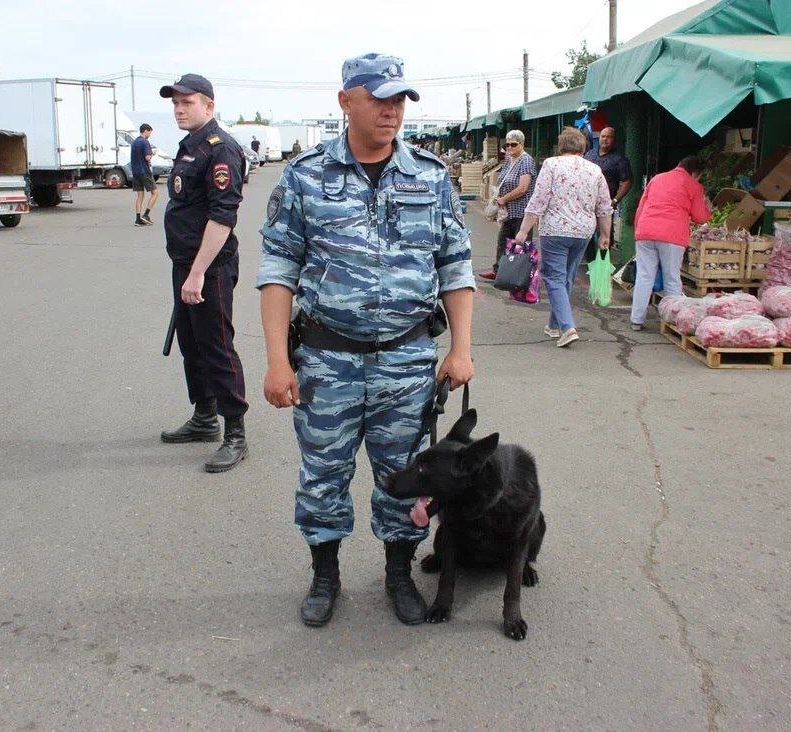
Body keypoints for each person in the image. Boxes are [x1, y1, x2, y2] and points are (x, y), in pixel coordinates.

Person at [257, 52, 475, 629]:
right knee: (323, 473)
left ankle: (398, 573)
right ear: (345, 100)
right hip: (326, 358)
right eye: (379, 98)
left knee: (405, 473)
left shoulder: (429, 175)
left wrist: (460, 349)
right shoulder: (305, 175)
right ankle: (324, 573)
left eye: (400, 99)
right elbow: (278, 269)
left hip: (405, 359)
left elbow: (456, 264)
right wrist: (278, 361)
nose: (392, 111)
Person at [158, 74, 250, 473]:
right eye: (175, 103)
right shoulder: (190, 146)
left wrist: (196, 274)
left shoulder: (221, 149)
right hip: (186, 265)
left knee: (217, 347)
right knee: (191, 344)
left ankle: (235, 433)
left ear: (209, 106)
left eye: (187, 102)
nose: (179, 109)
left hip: (208, 269)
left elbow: (222, 217)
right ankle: (204, 417)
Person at [515, 127, 612, 348]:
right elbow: (604, 206)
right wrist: (605, 234)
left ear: (562, 146)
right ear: (583, 147)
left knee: (553, 277)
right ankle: (554, 324)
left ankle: (567, 327)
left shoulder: (551, 164)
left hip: (555, 230)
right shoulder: (595, 170)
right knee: (565, 277)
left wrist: (523, 230)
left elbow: (539, 199)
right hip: (584, 232)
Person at [629, 156, 712, 330]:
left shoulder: (657, 179)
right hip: (672, 235)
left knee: (644, 276)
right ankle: (672, 321)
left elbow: (641, 207)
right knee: (672, 278)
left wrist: (639, 231)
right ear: (695, 172)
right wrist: (708, 208)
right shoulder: (694, 185)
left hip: (645, 230)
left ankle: (636, 320)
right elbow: (699, 217)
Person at [477, 129, 535, 281]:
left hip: (521, 210)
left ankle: (521, 276)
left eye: (513, 144)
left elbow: (523, 187)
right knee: (503, 241)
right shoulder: (509, 160)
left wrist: (505, 198)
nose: (509, 148)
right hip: (508, 211)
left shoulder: (526, 161)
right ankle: (499, 271)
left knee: (521, 243)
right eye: (507, 145)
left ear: (521, 144)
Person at [584, 126, 631, 255]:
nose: (605, 139)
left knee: (605, 234)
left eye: (608, 137)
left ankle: (603, 263)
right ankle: (589, 261)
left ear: (613, 139)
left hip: (606, 203)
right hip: (586, 202)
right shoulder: (589, 154)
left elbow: (626, 182)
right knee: (586, 233)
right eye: (603, 136)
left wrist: (615, 200)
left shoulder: (619, 159)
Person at [131, 123, 158, 226]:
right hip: (144, 171)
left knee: (140, 195)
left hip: (135, 172)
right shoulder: (145, 142)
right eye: (150, 132)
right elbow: (147, 157)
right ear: (146, 130)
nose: (150, 134)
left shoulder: (134, 142)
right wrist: (152, 154)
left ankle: (138, 219)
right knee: (155, 193)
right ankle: (146, 215)